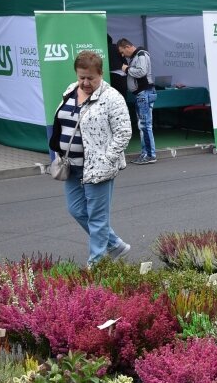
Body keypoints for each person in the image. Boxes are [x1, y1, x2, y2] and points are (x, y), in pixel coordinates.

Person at [48, 50, 132, 268]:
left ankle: (96, 264)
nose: (85, 82)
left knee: (97, 218)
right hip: (71, 167)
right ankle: (116, 245)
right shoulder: (70, 90)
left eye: (90, 78)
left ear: (100, 74)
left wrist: (107, 159)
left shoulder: (112, 98)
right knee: (76, 210)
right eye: (81, 77)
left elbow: (124, 132)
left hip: (98, 169)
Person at [118, 38, 157, 165]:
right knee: (143, 125)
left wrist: (127, 69)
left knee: (145, 125)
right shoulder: (137, 56)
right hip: (142, 94)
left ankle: (150, 155)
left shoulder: (141, 55)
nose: (123, 55)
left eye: (123, 52)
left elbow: (141, 71)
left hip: (144, 94)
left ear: (128, 46)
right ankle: (146, 154)